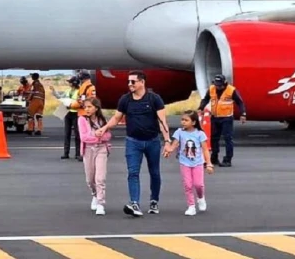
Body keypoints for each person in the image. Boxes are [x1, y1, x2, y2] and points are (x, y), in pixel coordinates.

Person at [101, 70, 171, 217]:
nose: (130, 84)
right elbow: (116, 118)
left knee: (155, 173)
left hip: (152, 141)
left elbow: (162, 121)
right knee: (133, 173)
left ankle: (154, 201)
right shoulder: (125, 100)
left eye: (133, 82)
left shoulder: (154, 99)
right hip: (133, 142)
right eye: (128, 82)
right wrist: (104, 128)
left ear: (142, 82)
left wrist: (167, 141)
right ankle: (135, 203)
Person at [163, 110, 215, 216]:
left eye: (186, 120)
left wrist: (208, 164)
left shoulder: (200, 134)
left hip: (198, 163)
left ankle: (201, 198)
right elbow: (174, 145)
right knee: (188, 185)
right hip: (184, 163)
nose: (183, 122)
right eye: (182, 120)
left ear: (194, 122)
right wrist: (168, 150)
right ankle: (191, 206)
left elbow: (205, 149)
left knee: (198, 184)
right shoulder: (179, 132)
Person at [197, 74, 246, 167]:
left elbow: (240, 102)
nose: (218, 87)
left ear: (225, 83)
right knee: (214, 138)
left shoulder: (231, 90)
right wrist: (201, 107)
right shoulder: (211, 89)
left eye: (220, 85)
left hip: (226, 118)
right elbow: (205, 99)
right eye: (216, 85)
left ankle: (228, 159)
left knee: (228, 138)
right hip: (215, 117)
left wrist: (243, 114)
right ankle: (214, 157)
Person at [78, 98, 111, 216]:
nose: (87, 109)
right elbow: (84, 137)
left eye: (89, 107)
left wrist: (100, 137)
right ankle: (95, 195)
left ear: (96, 108)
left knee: (100, 178)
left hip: (101, 148)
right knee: (90, 179)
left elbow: (107, 135)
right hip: (88, 149)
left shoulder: (102, 120)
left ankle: (101, 203)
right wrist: (96, 135)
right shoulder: (82, 120)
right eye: (85, 107)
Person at [51, 75, 82, 160]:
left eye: (70, 82)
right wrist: (54, 92)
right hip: (68, 113)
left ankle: (78, 153)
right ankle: (66, 153)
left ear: (74, 83)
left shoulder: (80, 91)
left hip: (76, 114)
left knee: (77, 134)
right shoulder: (68, 91)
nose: (69, 84)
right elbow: (61, 97)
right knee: (66, 133)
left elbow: (81, 102)